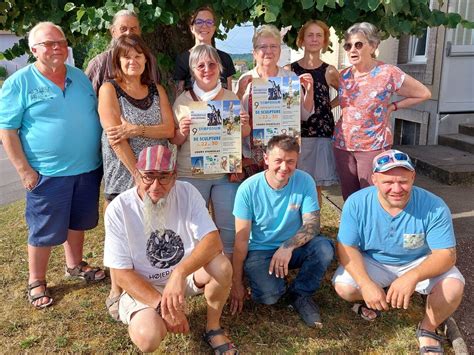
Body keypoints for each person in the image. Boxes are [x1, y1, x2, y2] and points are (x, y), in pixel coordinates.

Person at [0, 22, 105, 309]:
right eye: (48, 43)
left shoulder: (80, 77)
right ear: (34, 50)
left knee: (78, 222)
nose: (57, 46)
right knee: (43, 229)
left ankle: (74, 265)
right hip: (46, 173)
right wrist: (24, 170)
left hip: (86, 168)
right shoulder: (19, 83)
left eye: (60, 41)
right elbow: (7, 131)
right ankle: (37, 280)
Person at [103, 144, 237, 354]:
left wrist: (179, 272)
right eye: (148, 176)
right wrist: (161, 307)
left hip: (184, 279)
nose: (156, 185)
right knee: (148, 338)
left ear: (174, 176)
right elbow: (121, 274)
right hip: (145, 286)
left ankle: (213, 328)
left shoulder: (187, 192)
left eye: (164, 177)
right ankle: (143, 313)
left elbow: (213, 241)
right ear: (137, 174)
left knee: (222, 266)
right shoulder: (118, 209)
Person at [333, 149, 465, 353]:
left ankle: (427, 328)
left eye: (403, 181)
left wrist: (413, 276)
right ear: (375, 179)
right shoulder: (356, 203)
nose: (397, 188)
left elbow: (446, 254)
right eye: (388, 182)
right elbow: (346, 246)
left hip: (419, 261)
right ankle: (378, 295)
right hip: (374, 260)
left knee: (454, 286)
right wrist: (366, 283)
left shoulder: (435, 206)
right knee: (344, 287)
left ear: (413, 177)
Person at [97, 33, 174, 319]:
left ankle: (151, 282)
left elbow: (168, 129)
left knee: (152, 231)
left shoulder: (157, 90)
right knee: (122, 237)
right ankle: (116, 292)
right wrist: (136, 175)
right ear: (117, 61)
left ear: (146, 59)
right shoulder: (109, 90)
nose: (133, 61)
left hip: (157, 175)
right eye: (126, 56)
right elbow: (116, 137)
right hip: (123, 173)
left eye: (138, 55)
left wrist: (137, 129)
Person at [231, 135, 335, 327]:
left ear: (297, 160)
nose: (284, 167)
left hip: (294, 246)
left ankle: (301, 294)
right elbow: (241, 240)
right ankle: (275, 283)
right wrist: (236, 282)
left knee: (324, 248)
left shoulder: (305, 181)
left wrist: (287, 247)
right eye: (278, 161)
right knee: (269, 297)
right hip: (260, 250)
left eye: (290, 161)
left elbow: (312, 225)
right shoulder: (247, 189)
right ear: (266, 159)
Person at [334, 22, 431, 201]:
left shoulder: (387, 73)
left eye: (358, 44)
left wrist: (393, 107)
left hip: (372, 145)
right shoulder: (344, 75)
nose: (352, 50)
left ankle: (373, 229)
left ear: (373, 45)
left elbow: (423, 93)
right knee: (349, 197)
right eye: (348, 46)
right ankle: (354, 228)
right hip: (343, 145)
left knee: (371, 196)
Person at [171, 44, 250, 257]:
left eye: (211, 64)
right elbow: (175, 140)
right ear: (192, 71)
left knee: (228, 226)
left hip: (225, 174)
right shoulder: (182, 101)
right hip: (191, 173)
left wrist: (244, 123)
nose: (207, 69)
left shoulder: (230, 98)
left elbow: (244, 133)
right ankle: (194, 272)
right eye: (200, 65)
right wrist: (182, 131)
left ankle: (229, 272)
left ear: (220, 68)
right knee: (192, 227)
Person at [236, 24, 314, 173]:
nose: (268, 51)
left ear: (279, 50)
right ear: (254, 52)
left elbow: (304, 115)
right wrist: (239, 93)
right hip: (254, 156)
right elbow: (235, 120)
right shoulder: (245, 79)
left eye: (274, 46)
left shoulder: (290, 78)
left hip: (284, 153)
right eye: (263, 47)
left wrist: (309, 91)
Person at [290, 20, 339, 208]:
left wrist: (328, 105)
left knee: (315, 185)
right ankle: (294, 224)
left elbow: (347, 93)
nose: (314, 39)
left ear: (325, 40)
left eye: (319, 35)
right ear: (302, 40)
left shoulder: (329, 71)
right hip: (296, 133)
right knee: (294, 182)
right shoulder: (290, 70)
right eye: (310, 35)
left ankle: (313, 226)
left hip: (320, 132)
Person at [85, 9, 159, 95]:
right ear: (113, 32)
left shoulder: (150, 60)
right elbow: (86, 98)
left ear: (139, 32)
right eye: (123, 29)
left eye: (133, 29)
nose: (128, 33)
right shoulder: (99, 63)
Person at [173, 6, 235, 95]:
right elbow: (179, 96)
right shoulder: (183, 59)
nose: (204, 25)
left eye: (209, 22)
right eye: (199, 22)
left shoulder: (225, 58)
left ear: (214, 28)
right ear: (191, 28)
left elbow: (229, 94)